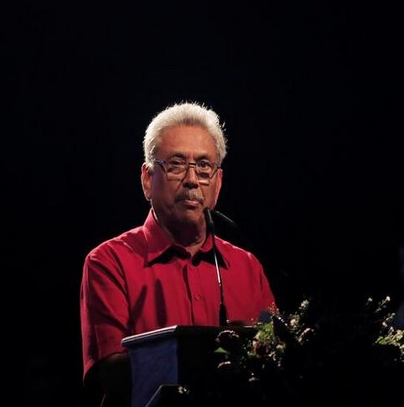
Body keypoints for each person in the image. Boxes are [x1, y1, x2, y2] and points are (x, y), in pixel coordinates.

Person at [80, 101, 277, 407]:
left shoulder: (247, 267)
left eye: (203, 166)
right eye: (175, 164)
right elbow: (112, 373)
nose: (191, 179)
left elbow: (275, 362)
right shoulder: (109, 262)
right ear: (147, 180)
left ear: (218, 182)